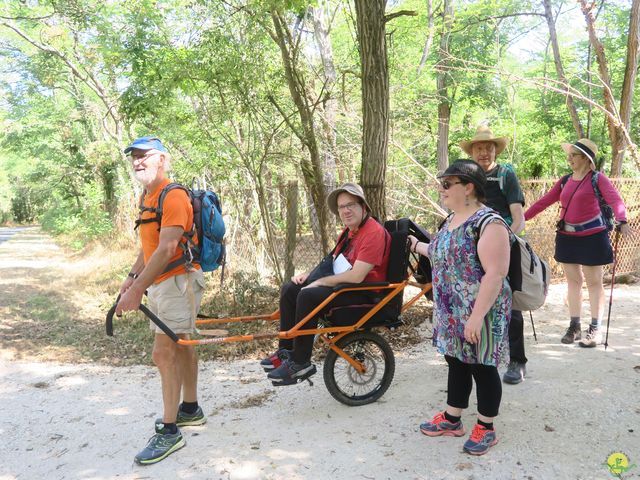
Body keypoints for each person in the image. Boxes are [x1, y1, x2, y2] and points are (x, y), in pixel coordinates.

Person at [409, 159, 511, 456]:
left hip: (482, 310)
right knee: (456, 360)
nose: (441, 189)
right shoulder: (450, 220)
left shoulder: (489, 223)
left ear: (468, 187)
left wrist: (477, 317)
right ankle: (453, 419)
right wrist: (416, 246)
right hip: (451, 310)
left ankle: (486, 427)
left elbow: (496, 273)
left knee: (482, 365)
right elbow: (441, 251)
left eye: (446, 184)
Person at [115, 136, 207, 465]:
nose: (138, 161)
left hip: (178, 282)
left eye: (145, 156)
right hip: (162, 282)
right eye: (134, 157)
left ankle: (169, 432)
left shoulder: (174, 195)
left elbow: (168, 248)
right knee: (181, 344)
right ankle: (190, 409)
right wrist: (131, 278)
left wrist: (139, 288)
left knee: (163, 351)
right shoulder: (148, 196)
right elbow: (150, 245)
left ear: (162, 159)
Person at [262, 183, 391, 385]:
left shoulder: (373, 232)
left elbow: (357, 276)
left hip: (364, 295)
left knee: (307, 295)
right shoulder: (348, 232)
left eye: (351, 205)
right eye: (341, 207)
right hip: (344, 288)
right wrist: (309, 276)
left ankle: (300, 361)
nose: (346, 210)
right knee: (290, 289)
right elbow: (331, 263)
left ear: (363, 207)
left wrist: (319, 283)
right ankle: (286, 351)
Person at [525, 139, 631, 347]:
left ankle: (595, 329)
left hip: (593, 236)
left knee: (593, 282)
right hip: (567, 236)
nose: (569, 158)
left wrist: (623, 220)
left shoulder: (597, 179)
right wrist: (521, 218)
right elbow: (544, 201)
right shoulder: (565, 180)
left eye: (574, 155)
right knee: (573, 281)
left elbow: (615, 200)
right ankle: (574, 326)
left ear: (585, 158)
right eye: (570, 154)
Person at [460, 125, 527, 385]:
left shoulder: (505, 174)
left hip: (503, 244)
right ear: (472, 151)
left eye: (489, 148)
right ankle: (475, 355)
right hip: (471, 248)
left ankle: (517, 361)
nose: (484, 152)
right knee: (472, 300)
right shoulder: (467, 177)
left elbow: (518, 216)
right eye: (479, 148)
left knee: (510, 302)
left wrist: (503, 239)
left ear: (495, 150)